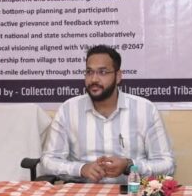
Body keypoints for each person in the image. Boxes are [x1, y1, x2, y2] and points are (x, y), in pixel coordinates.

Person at [40, 45, 175, 184]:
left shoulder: (145, 110)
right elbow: (48, 162)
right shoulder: (68, 110)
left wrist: (129, 165)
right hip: (83, 192)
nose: (94, 79)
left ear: (118, 76)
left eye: (102, 72)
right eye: (89, 72)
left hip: (131, 192)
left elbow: (167, 165)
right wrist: (81, 169)